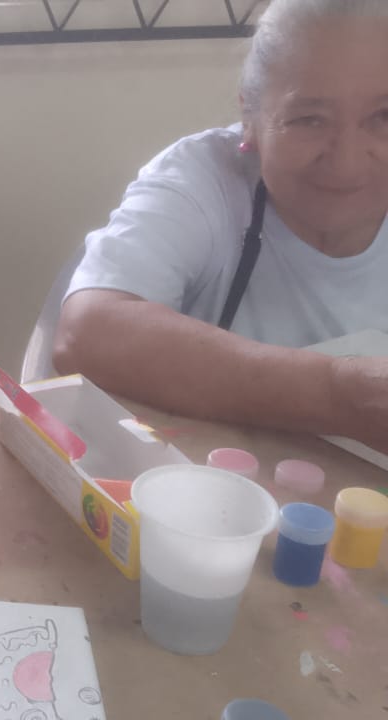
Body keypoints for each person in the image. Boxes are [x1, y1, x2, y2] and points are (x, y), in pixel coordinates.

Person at [55, 0, 388, 450]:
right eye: (308, 120)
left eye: (384, 117)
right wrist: (344, 396)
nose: (347, 163)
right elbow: (87, 333)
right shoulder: (204, 180)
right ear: (250, 117)